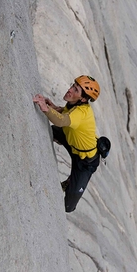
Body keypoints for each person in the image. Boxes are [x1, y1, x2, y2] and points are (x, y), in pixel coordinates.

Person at [33, 75, 101, 213]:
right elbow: (64, 113)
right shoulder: (74, 104)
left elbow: (61, 121)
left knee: (68, 206)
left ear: (83, 99)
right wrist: (52, 106)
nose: (70, 90)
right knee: (51, 131)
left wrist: (45, 108)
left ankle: (71, 183)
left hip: (86, 162)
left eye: (75, 90)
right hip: (72, 145)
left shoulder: (82, 112)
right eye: (72, 86)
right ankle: (58, 138)